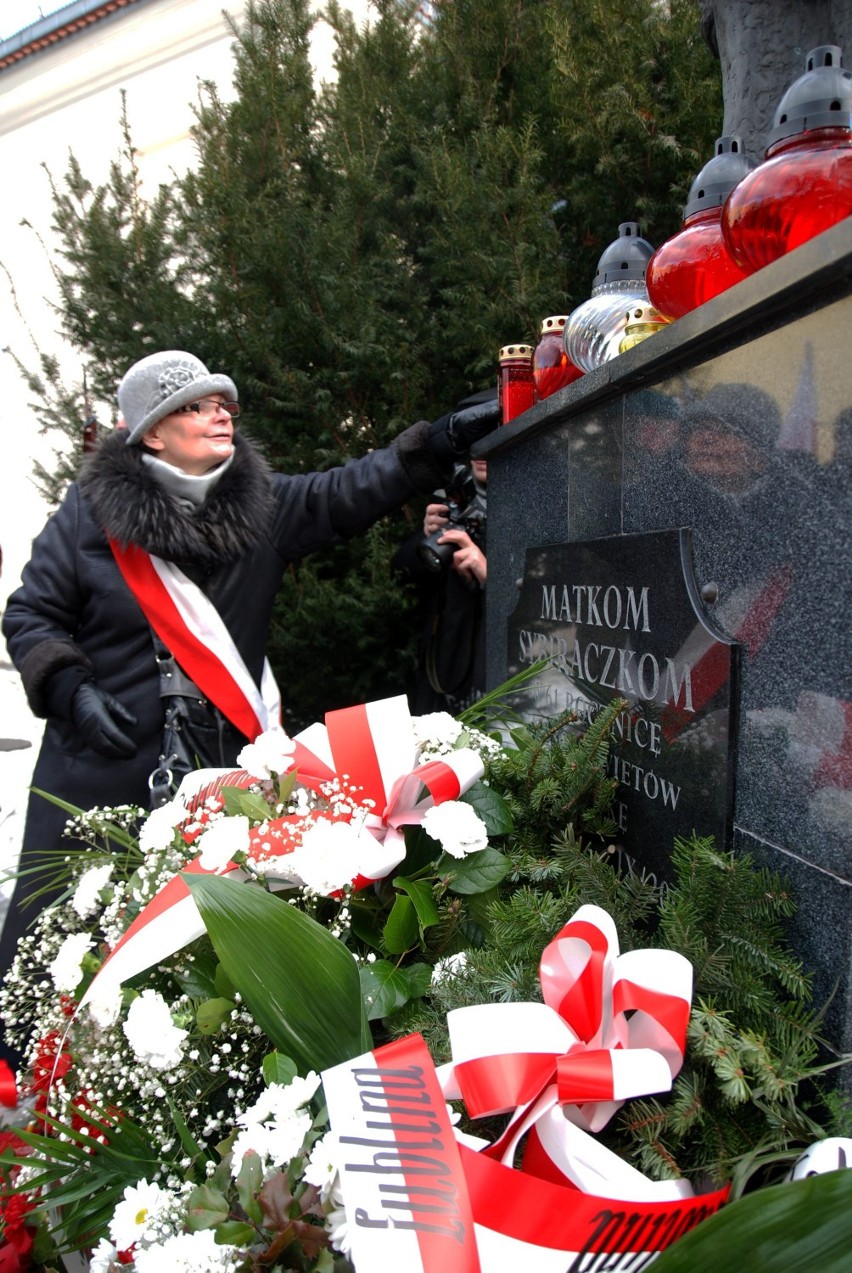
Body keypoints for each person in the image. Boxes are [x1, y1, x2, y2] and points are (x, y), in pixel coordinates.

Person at [0, 350, 498, 1063]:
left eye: (223, 401)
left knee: (197, 961)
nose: (220, 411)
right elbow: (32, 616)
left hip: (218, 778)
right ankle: (45, 1099)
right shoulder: (89, 514)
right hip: (100, 771)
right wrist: (70, 687)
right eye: (195, 405)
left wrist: (439, 440)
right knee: (67, 953)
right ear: (149, 433)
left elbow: (348, 489)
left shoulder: (261, 506)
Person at [393, 393, 489, 715]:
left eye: (493, 436)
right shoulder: (453, 498)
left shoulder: (533, 502)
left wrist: (489, 572)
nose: (482, 450)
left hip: (499, 669)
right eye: (475, 441)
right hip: (445, 664)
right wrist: (427, 535)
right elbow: (403, 575)